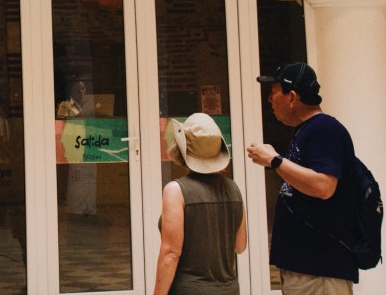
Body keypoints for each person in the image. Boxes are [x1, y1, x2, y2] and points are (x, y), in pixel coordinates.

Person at [246, 62, 358, 293]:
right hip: (305, 269)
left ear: (292, 97)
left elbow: (324, 186)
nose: (269, 99)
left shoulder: (325, 129)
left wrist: (275, 161)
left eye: (274, 92)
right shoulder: (307, 131)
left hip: (319, 270)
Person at [153, 112, 247, 295]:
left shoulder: (176, 190)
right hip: (229, 290)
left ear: (182, 150)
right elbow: (240, 245)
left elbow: (171, 253)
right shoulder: (234, 189)